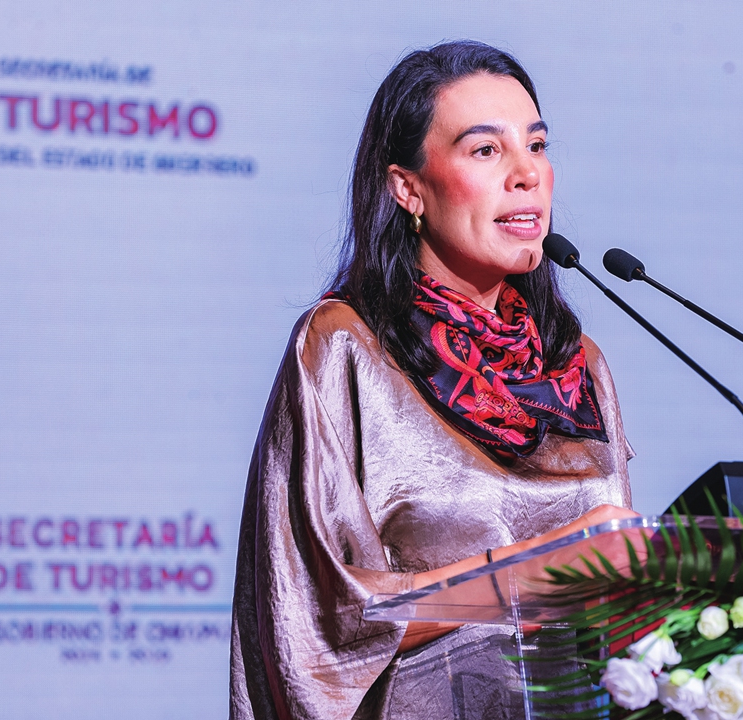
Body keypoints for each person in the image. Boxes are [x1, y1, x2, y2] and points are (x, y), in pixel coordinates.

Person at [230, 40, 637, 720]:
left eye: (537, 146)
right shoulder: (346, 346)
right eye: (486, 150)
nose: (526, 174)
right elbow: (321, 621)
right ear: (408, 188)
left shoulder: (574, 363)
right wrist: (541, 571)